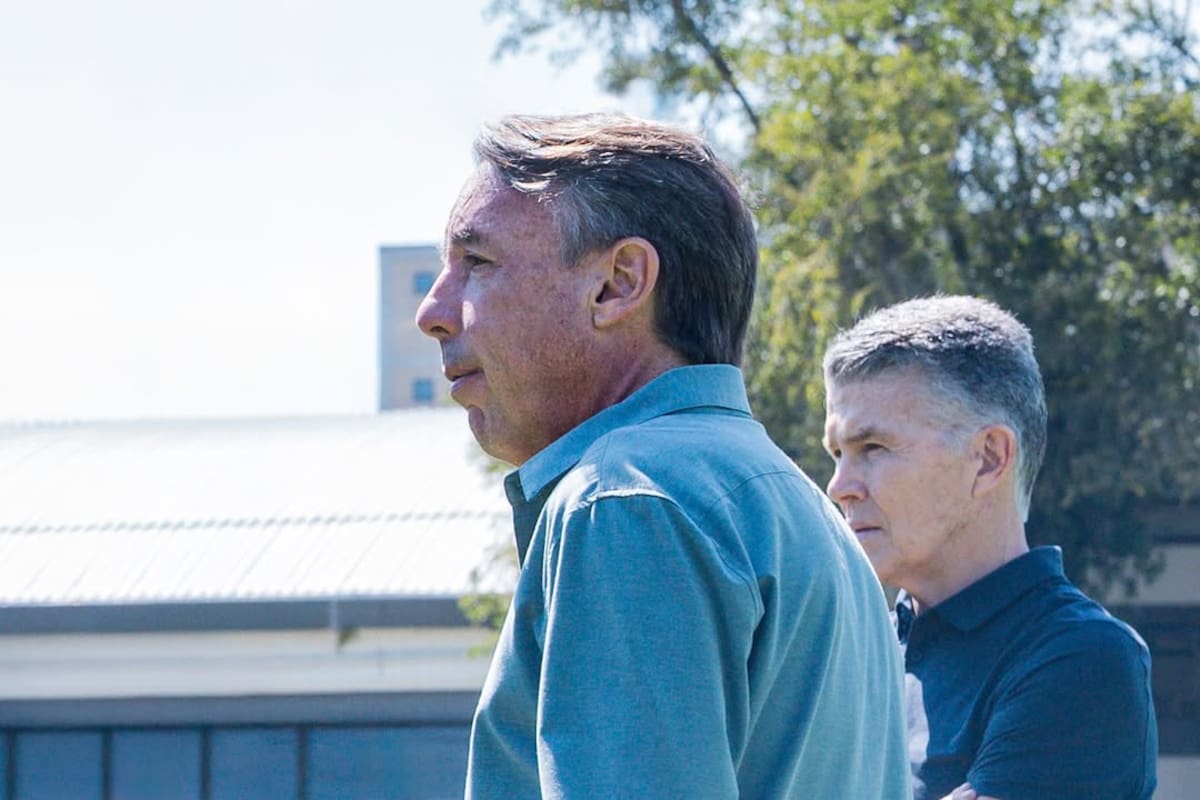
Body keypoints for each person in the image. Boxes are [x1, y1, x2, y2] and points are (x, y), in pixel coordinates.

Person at [416, 112, 911, 799]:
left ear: (619, 283)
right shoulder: (799, 510)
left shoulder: (624, 502)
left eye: (477, 263)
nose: (434, 310)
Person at [821, 295, 1158, 800]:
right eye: (837, 454)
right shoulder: (855, 649)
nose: (839, 486)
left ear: (988, 459)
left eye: (873, 448)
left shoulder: (1084, 659)